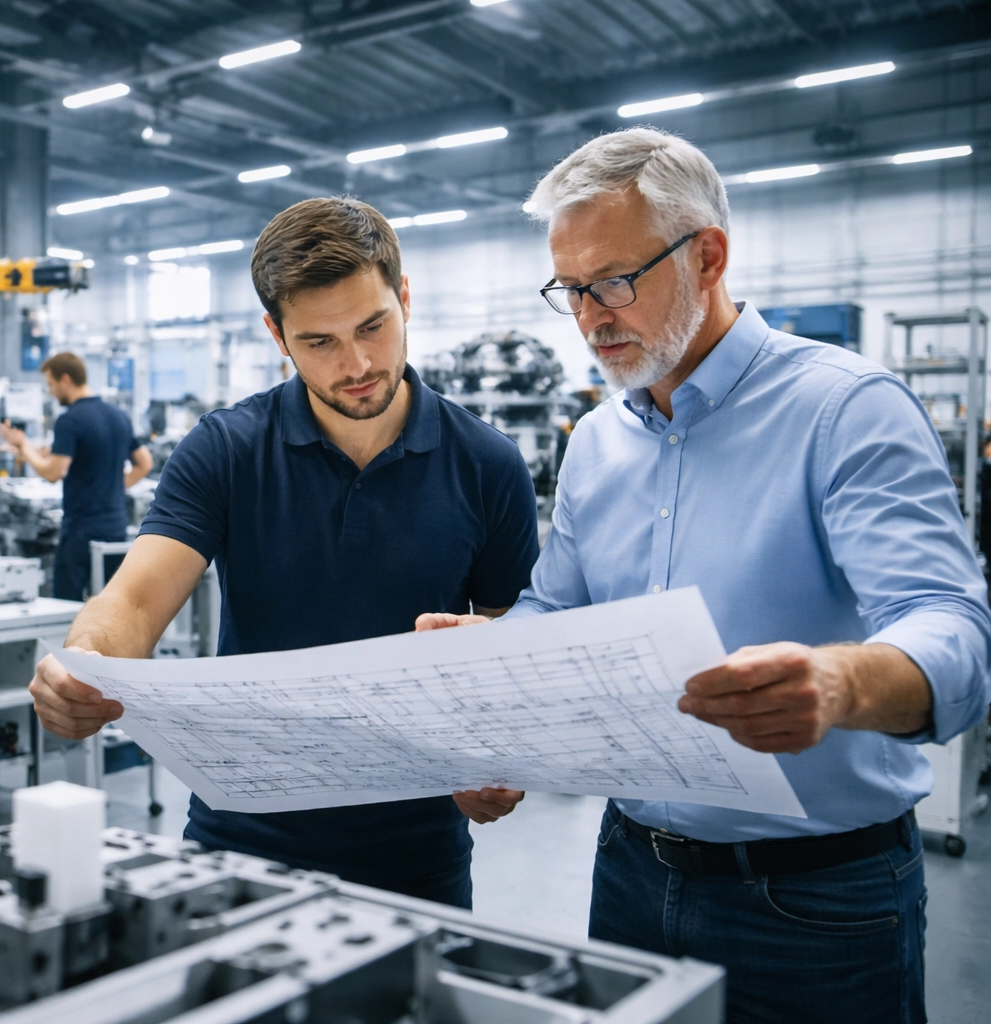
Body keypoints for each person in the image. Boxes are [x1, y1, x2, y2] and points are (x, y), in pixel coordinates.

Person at [422, 128, 990, 1020]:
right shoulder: (597, 443)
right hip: (629, 873)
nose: (589, 317)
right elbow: (557, 610)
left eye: (612, 280)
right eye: (569, 290)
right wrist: (496, 680)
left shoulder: (844, 410)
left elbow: (951, 626)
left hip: (816, 900)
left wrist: (839, 682)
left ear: (708, 256)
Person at [26, 197, 540, 908]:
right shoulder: (228, 448)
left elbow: (513, 643)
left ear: (406, 299)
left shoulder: (487, 462)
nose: (357, 364)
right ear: (277, 334)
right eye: (320, 341)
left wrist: (499, 754)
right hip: (240, 845)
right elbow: (137, 598)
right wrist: (84, 663)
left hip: (417, 856)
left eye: (373, 326)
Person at [0, 352, 152, 601]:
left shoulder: (70, 420)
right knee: (112, 607)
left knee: (67, 608)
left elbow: (53, 472)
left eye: (50, 384)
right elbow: (144, 464)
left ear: (66, 380)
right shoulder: (118, 416)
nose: (50, 391)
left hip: (81, 533)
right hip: (115, 530)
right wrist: (112, 487)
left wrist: (23, 446)